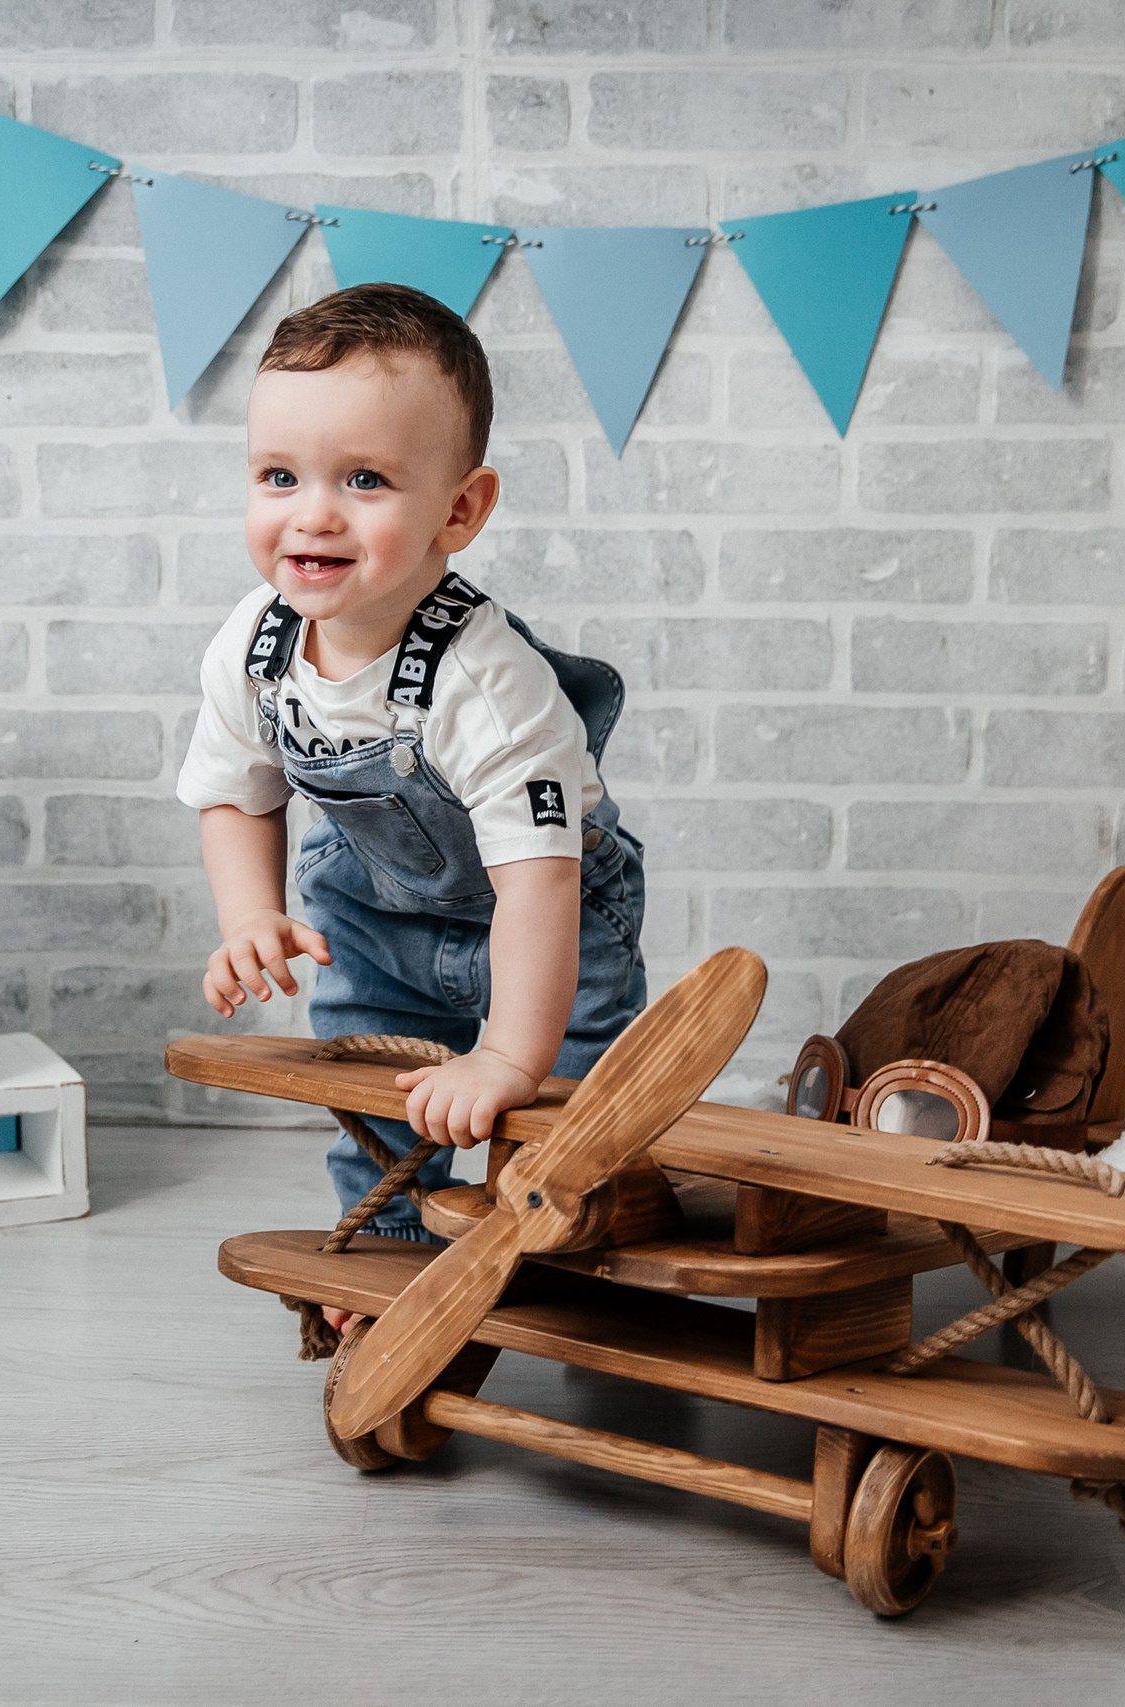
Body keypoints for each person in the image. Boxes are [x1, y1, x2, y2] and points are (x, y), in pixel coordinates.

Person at [177, 282, 647, 1326]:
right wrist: (250, 916)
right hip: (376, 907)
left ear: (459, 510)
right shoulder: (254, 647)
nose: (313, 513)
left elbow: (540, 880)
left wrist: (508, 1055)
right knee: (375, 1096)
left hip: (551, 915)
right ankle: (389, 1253)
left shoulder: (488, 682)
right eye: (279, 476)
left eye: (365, 480)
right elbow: (235, 791)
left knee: (571, 1118)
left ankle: (578, 1270)